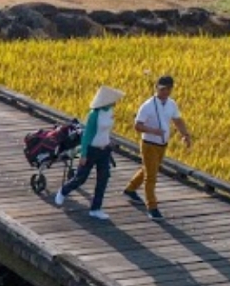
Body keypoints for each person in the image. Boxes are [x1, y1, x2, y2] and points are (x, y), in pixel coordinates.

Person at [122, 74, 194, 219]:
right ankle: (152, 207)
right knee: (151, 176)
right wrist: (153, 131)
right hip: (149, 144)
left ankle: (130, 188)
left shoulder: (171, 104)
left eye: (168, 89)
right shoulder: (147, 106)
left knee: (149, 168)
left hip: (162, 144)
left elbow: (177, 120)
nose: (165, 92)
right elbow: (137, 126)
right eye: (162, 89)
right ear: (156, 88)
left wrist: (185, 135)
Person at [54, 85, 124, 220]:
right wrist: (84, 154)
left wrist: (108, 142)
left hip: (104, 150)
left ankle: (96, 208)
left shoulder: (110, 112)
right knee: (81, 178)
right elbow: (86, 136)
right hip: (92, 150)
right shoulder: (94, 115)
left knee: (103, 179)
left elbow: (106, 131)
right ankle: (63, 191)